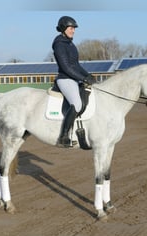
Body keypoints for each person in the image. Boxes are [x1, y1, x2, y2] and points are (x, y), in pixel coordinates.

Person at [52, 16, 96, 147]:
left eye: (74, 29)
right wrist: (82, 78)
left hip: (73, 79)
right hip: (65, 79)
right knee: (76, 103)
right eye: (71, 28)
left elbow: (76, 65)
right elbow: (66, 67)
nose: (73, 31)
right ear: (64, 28)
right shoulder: (59, 44)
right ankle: (63, 137)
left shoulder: (70, 44)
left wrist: (88, 75)